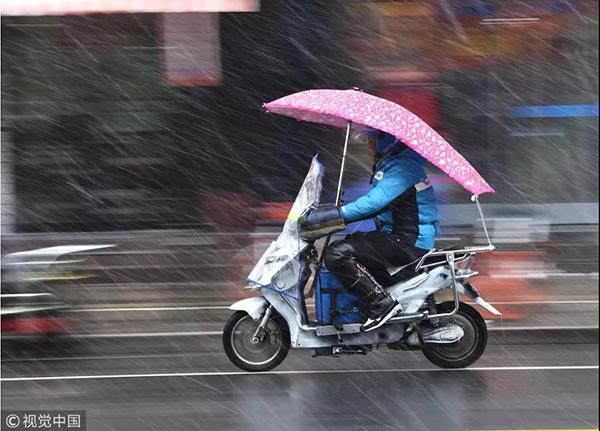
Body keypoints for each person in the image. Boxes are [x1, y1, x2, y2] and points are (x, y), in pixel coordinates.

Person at [299, 127, 439, 330]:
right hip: (401, 238)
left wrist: (331, 217)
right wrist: (332, 212)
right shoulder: (396, 166)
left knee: (337, 253)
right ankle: (373, 305)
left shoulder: (403, 169)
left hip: (407, 241)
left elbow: (373, 204)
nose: (368, 145)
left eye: (372, 140)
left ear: (387, 141)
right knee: (353, 245)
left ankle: (381, 305)